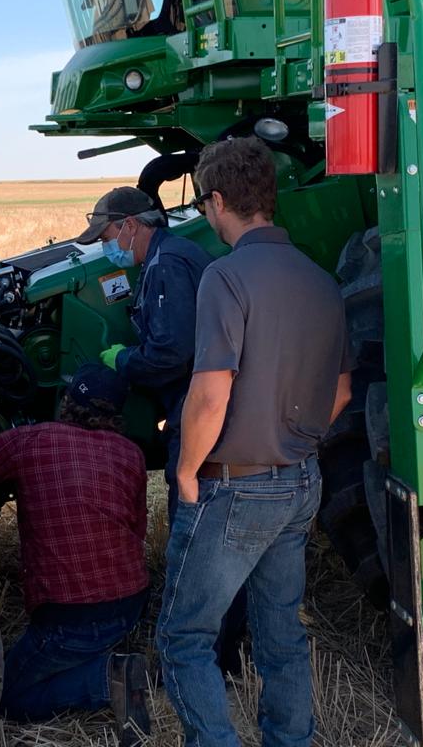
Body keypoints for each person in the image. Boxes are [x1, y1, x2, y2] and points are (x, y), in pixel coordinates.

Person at [156, 136, 353, 746]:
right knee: (281, 637)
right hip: (300, 481)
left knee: (184, 638)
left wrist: (187, 471)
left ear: (216, 202)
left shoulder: (226, 276)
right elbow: (342, 391)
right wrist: (297, 440)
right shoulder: (320, 279)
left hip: (236, 486)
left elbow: (211, 393)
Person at [0, 363, 151, 746]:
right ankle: (105, 658)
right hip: (130, 606)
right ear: (116, 414)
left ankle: (107, 678)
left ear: (67, 401)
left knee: (1, 697)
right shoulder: (131, 454)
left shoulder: (28, 440)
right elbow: (138, 531)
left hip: (72, 621)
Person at [77, 186, 211, 518]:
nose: (106, 247)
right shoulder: (166, 256)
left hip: (194, 402)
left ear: (131, 225)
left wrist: (123, 359)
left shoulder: (167, 265)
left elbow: (171, 352)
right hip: (196, 398)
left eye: (107, 237)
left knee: (189, 508)